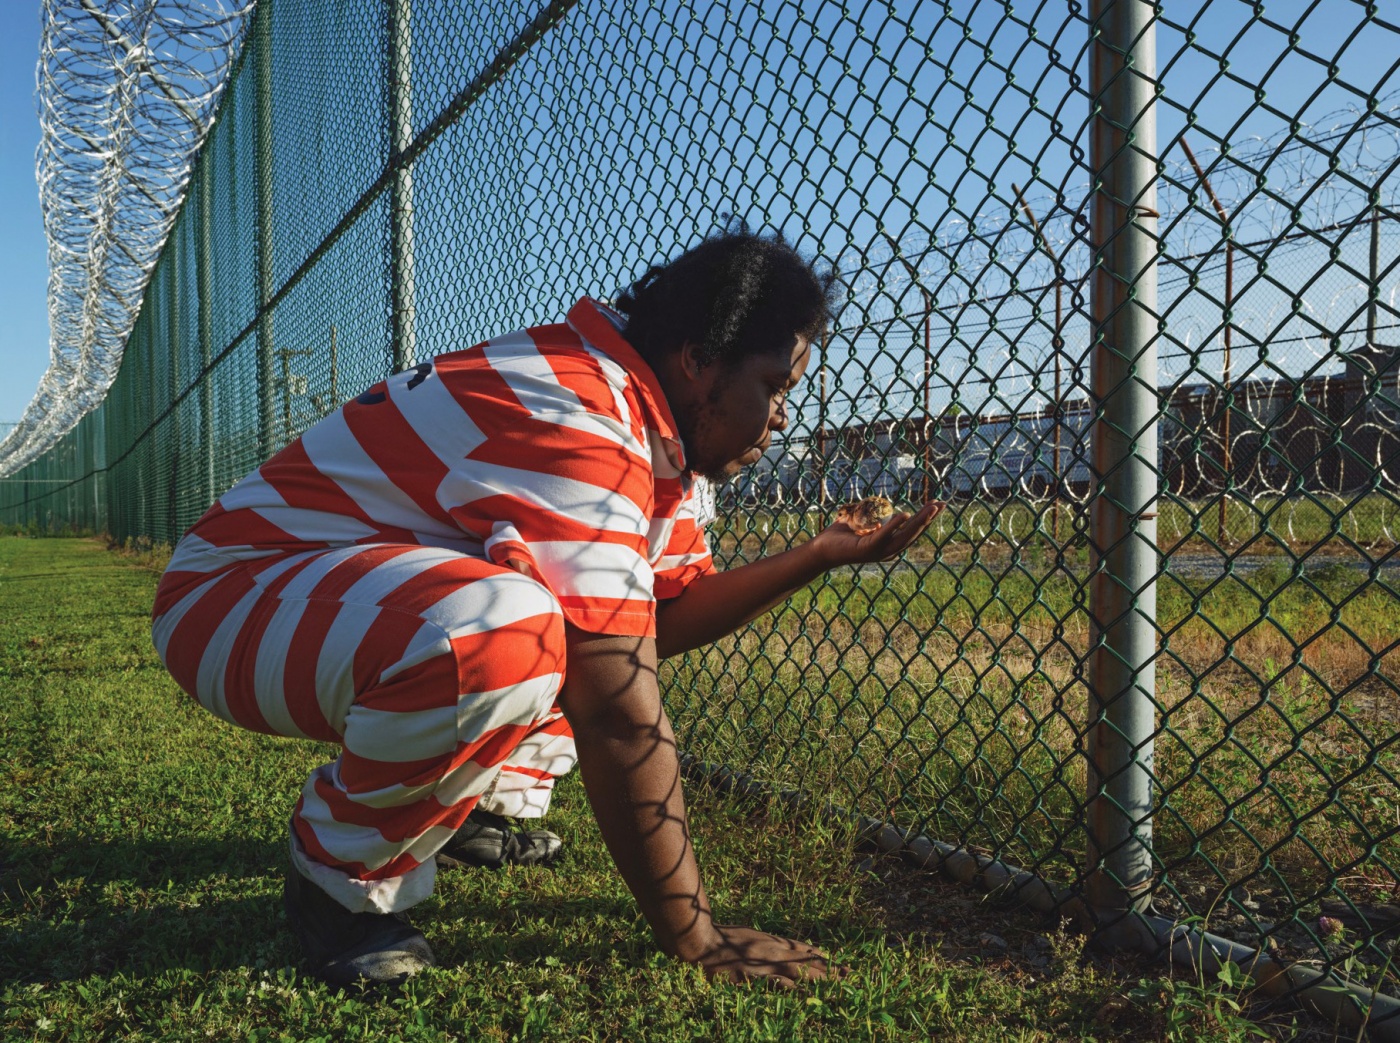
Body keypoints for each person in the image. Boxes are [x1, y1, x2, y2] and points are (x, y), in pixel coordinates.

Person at [151, 228, 939, 988]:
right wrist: (694, 933)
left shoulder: (649, 425)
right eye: (773, 387)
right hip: (231, 594)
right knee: (514, 631)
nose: (782, 418)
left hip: (315, 595)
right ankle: (338, 876)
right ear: (700, 360)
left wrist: (816, 555)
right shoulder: (585, 411)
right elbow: (618, 707)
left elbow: (662, 616)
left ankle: (459, 811)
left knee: (574, 617)